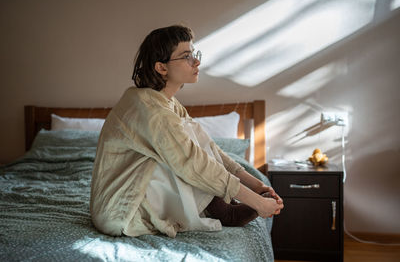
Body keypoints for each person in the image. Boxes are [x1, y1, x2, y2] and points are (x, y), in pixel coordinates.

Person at [90, 25, 283, 238]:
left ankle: (221, 206)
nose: (196, 62)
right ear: (161, 68)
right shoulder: (152, 111)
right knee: (184, 155)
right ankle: (225, 211)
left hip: (135, 196)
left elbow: (211, 149)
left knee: (190, 133)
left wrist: (258, 186)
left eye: (194, 54)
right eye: (186, 56)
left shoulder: (164, 102)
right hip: (120, 211)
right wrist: (257, 202)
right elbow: (194, 162)